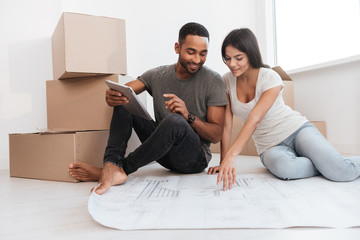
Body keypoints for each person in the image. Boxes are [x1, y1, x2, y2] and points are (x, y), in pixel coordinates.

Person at [68, 22, 228, 194]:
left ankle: (121, 169)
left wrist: (188, 116)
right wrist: (111, 95)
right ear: (177, 48)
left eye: (203, 54)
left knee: (176, 121)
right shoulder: (158, 75)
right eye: (191, 52)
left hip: (193, 160)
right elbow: (123, 90)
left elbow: (217, 135)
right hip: (162, 153)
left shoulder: (213, 81)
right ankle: (112, 164)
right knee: (125, 99)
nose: (197, 60)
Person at [207, 28, 360, 190]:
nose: (232, 64)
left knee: (342, 172)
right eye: (228, 58)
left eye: (238, 58)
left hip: (297, 130)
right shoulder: (226, 81)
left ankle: (332, 165)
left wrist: (233, 155)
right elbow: (227, 124)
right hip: (269, 146)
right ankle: (326, 164)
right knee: (285, 169)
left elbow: (254, 119)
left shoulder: (270, 77)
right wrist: (224, 160)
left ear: (251, 55)